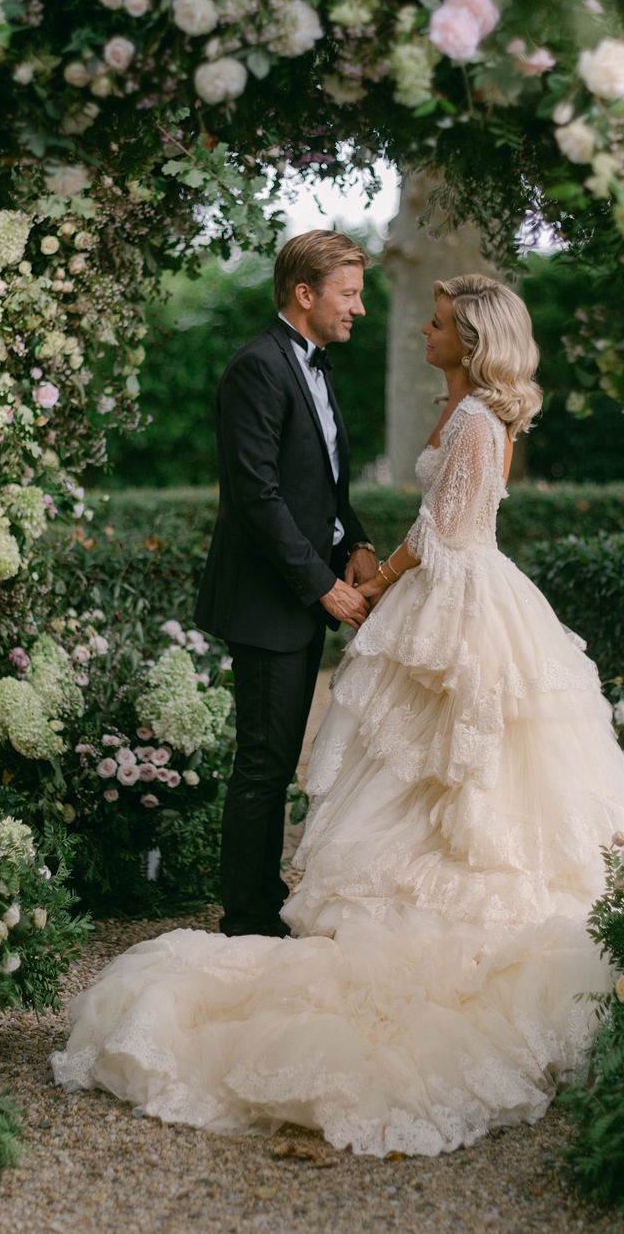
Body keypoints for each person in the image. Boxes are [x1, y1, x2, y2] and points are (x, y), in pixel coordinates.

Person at [52, 273, 624, 1157]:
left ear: (475, 338)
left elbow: (445, 535)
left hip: (456, 596)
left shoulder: (471, 422)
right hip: (461, 589)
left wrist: (374, 581)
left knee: (443, 760)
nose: (421, 327)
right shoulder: (463, 412)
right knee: (418, 763)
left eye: (439, 322)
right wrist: (365, 563)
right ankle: (279, 901)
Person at [193, 230, 378, 938]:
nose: (358, 308)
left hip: (299, 594)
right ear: (305, 294)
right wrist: (321, 586)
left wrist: (355, 540)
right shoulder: (257, 368)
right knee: (265, 762)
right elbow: (257, 497)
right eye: (349, 293)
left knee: (275, 757)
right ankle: (247, 918)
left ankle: (260, 901)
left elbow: (321, 481)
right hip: (269, 601)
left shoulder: (318, 365)